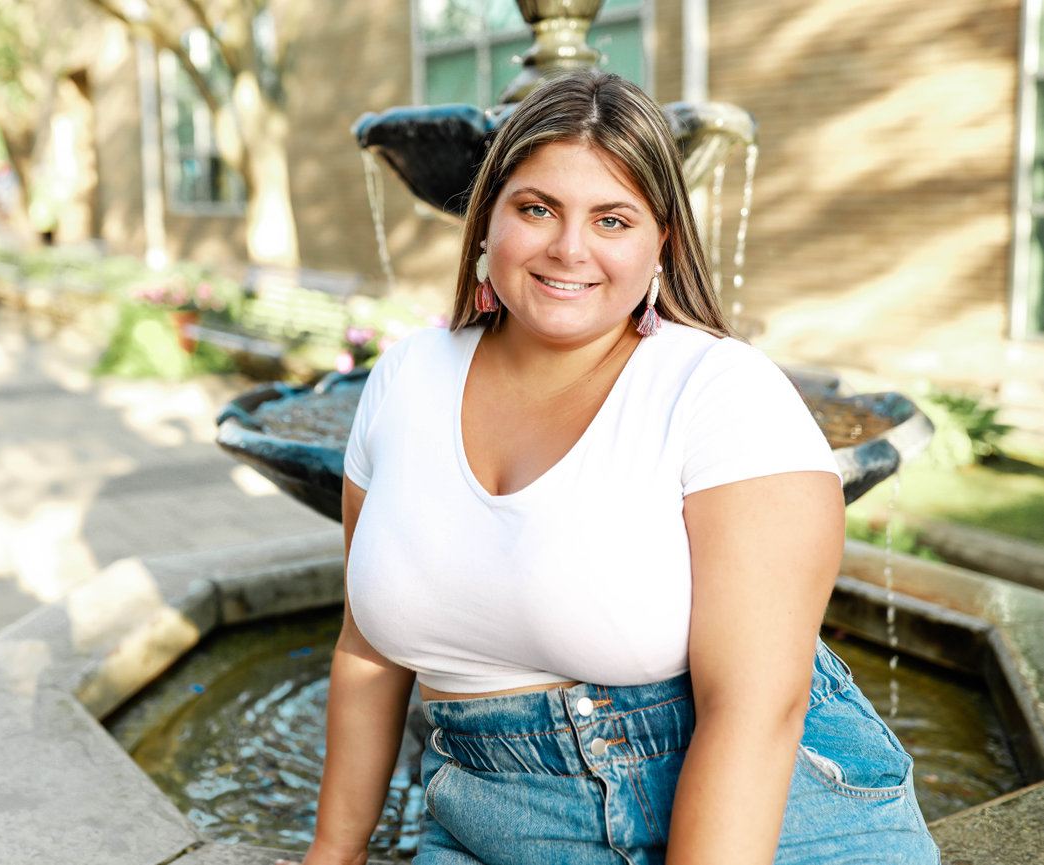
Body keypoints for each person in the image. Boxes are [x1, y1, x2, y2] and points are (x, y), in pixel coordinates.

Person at [280, 71, 940, 865]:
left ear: (660, 240)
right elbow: (367, 647)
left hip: (768, 820)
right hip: (492, 818)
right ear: (486, 219)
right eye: (536, 209)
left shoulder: (721, 392)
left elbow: (754, 710)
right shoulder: (405, 377)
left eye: (612, 219)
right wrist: (333, 850)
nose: (568, 248)